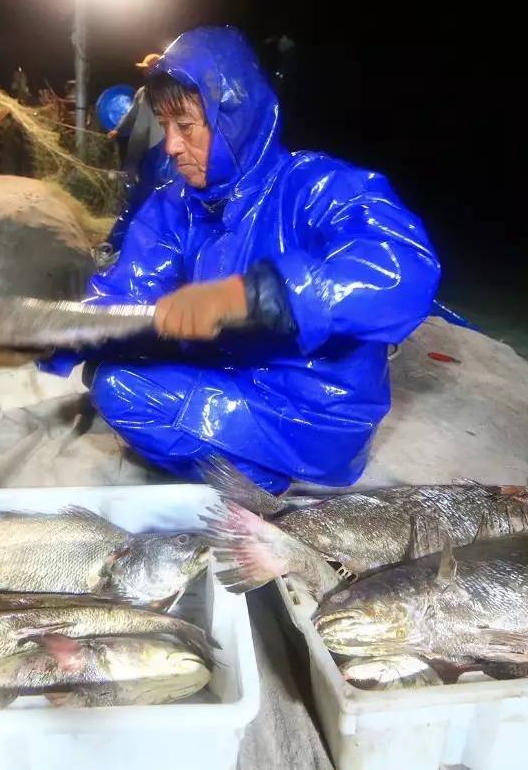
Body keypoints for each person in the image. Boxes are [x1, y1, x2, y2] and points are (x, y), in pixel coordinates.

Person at [41, 26, 441, 493]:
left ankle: (259, 478)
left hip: (314, 408)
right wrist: (65, 330)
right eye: (164, 126)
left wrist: (251, 297)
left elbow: (402, 267)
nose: (169, 145)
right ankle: (252, 471)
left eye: (185, 126)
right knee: (110, 378)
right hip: (230, 374)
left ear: (233, 118)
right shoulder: (174, 202)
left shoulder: (315, 185)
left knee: (122, 390)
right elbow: (129, 292)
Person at [105, 53, 171, 252]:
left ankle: (112, 247)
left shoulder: (151, 92)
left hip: (159, 155)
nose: (144, 72)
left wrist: (132, 161)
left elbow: (140, 131)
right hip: (172, 152)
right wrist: (118, 129)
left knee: (138, 202)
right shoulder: (149, 92)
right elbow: (132, 114)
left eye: (147, 68)